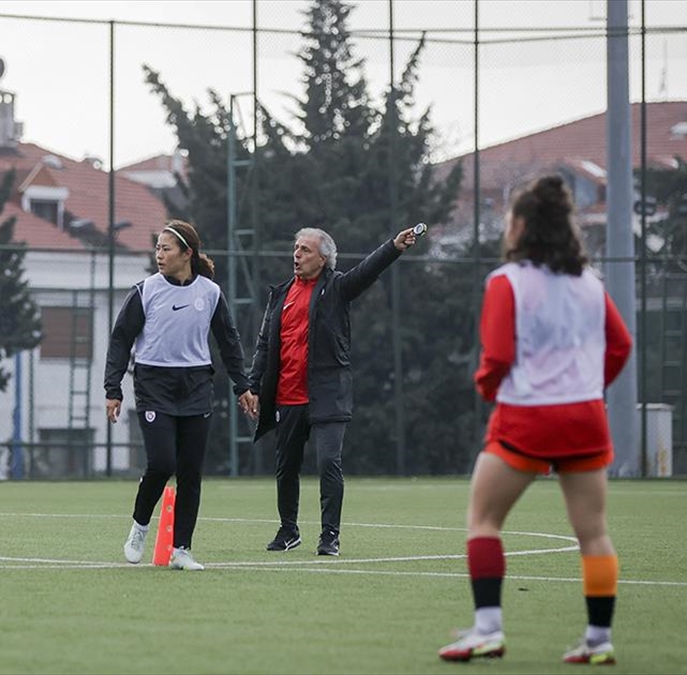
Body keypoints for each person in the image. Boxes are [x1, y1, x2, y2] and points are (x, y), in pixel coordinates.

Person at [437, 175, 631, 665]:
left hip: (526, 419)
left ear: (522, 226)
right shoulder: (590, 283)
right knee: (594, 531)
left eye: (509, 220)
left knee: (484, 520)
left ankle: (487, 630)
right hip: (585, 418)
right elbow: (621, 343)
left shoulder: (506, 281)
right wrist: (589, 386)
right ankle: (599, 639)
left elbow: (497, 355)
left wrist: (486, 387)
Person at [246, 225, 420, 556]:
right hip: (287, 395)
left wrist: (394, 247)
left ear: (324, 259)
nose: (297, 255)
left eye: (305, 250)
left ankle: (330, 536)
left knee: (328, 462)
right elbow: (265, 344)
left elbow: (367, 271)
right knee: (286, 466)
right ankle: (288, 530)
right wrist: (252, 385)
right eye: (296, 248)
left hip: (327, 394)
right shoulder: (281, 294)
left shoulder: (337, 287)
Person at [104, 220, 256, 571]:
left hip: (196, 385)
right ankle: (140, 528)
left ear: (187, 253)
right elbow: (120, 340)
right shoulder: (145, 291)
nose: (159, 254)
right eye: (157, 248)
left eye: (166, 248)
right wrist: (113, 389)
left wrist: (242, 385)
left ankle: (181, 549)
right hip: (154, 384)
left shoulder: (210, 293)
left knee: (190, 471)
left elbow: (229, 342)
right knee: (162, 464)